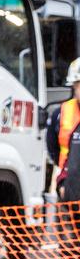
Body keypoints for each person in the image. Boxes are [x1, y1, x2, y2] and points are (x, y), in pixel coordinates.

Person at [47, 58, 80, 201]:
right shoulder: (61, 113)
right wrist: (63, 181)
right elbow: (52, 147)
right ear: (74, 86)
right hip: (68, 186)